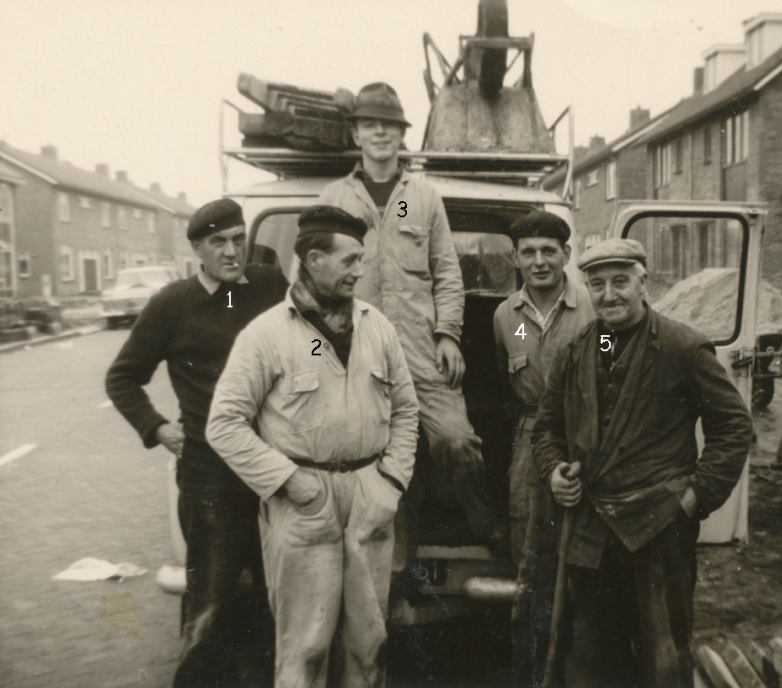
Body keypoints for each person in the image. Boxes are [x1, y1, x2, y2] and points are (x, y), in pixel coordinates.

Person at [206, 205, 420, 688]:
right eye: (349, 261)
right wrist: (289, 482)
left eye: (362, 259)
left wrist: (390, 482)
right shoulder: (265, 334)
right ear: (315, 259)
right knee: (305, 649)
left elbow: (407, 411)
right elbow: (224, 424)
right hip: (303, 504)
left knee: (369, 643)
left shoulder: (378, 328)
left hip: (370, 498)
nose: (359, 271)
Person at [532, 238, 754, 688]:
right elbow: (545, 428)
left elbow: (734, 429)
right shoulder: (576, 351)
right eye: (597, 284)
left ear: (642, 282)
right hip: (591, 528)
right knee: (591, 654)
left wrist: (694, 499)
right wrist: (554, 470)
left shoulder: (683, 348)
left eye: (620, 281)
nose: (609, 294)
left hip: (658, 527)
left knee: (662, 653)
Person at [105, 198, 287, 688]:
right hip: (212, 477)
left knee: (278, 599)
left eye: (237, 239)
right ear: (197, 250)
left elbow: (307, 336)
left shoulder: (268, 286)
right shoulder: (173, 303)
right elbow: (122, 378)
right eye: (218, 243)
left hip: (274, 470)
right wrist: (157, 428)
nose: (231, 252)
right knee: (211, 600)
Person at [318, 81, 501, 549]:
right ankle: (395, 557)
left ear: (402, 135)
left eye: (390, 126)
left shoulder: (422, 197)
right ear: (356, 134)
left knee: (456, 441)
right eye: (370, 125)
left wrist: (449, 335)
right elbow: (312, 281)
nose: (380, 133)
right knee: (375, 453)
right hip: (359, 353)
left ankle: (486, 529)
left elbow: (447, 273)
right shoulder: (333, 199)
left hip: (422, 350)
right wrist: (323, 346)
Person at [492, 211, 594, 685]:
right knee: (529, 554)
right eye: (528, 253)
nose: (539, 262)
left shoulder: (595, 310)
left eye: (548, 252)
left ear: (566, 256)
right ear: (515, 258)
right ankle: (533, 666)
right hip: (532, 439)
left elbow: (611, 364)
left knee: (585, 552)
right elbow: (512, 365)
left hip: (586, 440)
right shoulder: (507, 317)